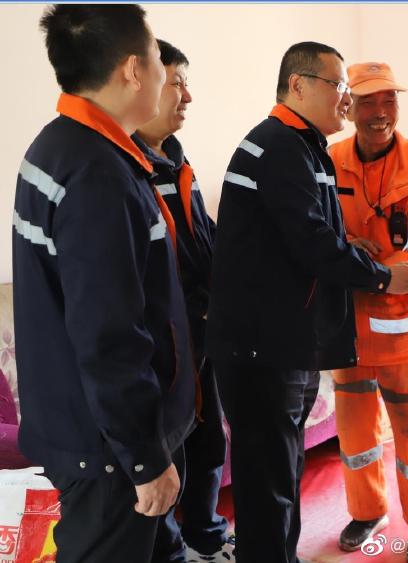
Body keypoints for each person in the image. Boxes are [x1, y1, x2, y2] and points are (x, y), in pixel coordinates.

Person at [206, 42, 408, 563]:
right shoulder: (280, 147)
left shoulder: (301, 145)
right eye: (339, 86)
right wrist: (383, 278)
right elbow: (311, 243)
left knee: (281, 477)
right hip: (262, 349)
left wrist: (347, 246)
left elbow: (299, 235)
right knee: (269, 487)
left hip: (283, 343)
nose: (347, 100)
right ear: (298, 85)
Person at [12, 5, 196, 563]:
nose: (166, 77)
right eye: (159, 61)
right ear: (133, 70)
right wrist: (144, 459)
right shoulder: (97, 174)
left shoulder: (62, 145)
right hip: (111, 451)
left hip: (96, 432)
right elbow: (108, 335)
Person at [329, 62, 408, 562]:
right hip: (348, 330)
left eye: (389, 100)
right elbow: (314, 230)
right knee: (355, 432)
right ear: (349, 107)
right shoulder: (326, 161)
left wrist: (376, 268)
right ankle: (366, 512)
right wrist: (344, 248)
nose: (379, 112)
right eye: (368, 102)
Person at [133, 39, 233, 563]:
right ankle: (172, 549)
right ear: (143, 84)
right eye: (176, 83)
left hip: (202, 335)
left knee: (208, 441)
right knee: (169, 451)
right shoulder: (124, 170)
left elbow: (201, 238)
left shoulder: (175, 160)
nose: (187, 96)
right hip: (162, 345)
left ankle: (207, 538)